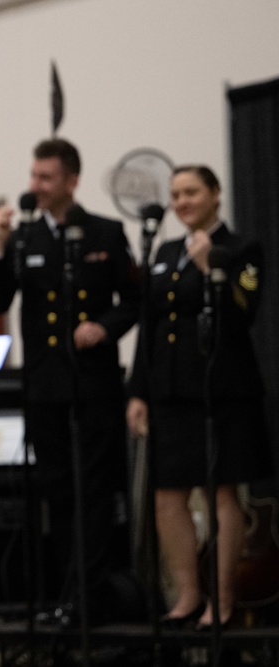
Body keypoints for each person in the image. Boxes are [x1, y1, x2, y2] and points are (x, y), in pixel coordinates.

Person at [0, 138, 141, 625]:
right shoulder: (26, 237)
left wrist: (105, 326)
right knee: (57, 493)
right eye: (33, 177)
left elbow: (135, 300)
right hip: (44, 388)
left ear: (71, 180)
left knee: (92, 493)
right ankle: (65, 598)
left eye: (46, 178)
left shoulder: (105, 233)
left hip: (92, 387)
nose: (36, 187)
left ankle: (92, 600)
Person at [127, 164, 270, 629]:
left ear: (215, 194)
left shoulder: (241, 248)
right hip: (169, 395)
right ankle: (188, 596)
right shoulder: (165, 250)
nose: (182, 201)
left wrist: (213, 270)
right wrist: (138, 393)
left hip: (220, 392)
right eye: (175, 194)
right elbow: (150, 327)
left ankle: (223, 602)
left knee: (220, 495)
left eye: (191, 192)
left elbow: (243, 317)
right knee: (168, 498)